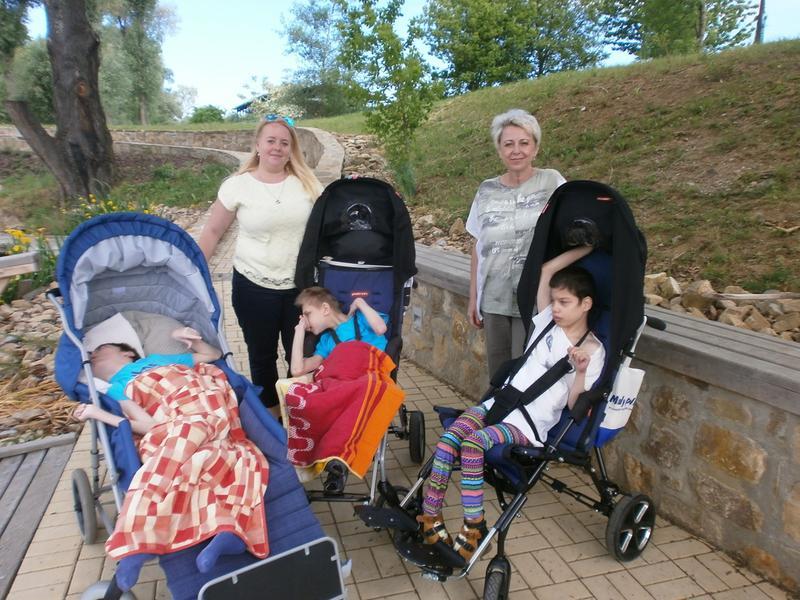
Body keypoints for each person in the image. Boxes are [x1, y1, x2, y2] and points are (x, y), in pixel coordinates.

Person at [417, 246, 605, 561]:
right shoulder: (546, 322)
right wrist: (587, 247)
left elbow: (575, 405)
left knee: (473, 445)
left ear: (585, 304)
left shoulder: (593, 350)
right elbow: (546, 271)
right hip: (499, 404)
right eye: (554, 301)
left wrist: (582, 372)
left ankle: (474, 527)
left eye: (564, 302)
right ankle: (430, 517)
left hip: (528, 424)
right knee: (449, 439)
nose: (556, 308)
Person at [74, 326, 269, 591]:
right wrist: (99, 414)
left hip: (200, 399)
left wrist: (191, 340)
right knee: (212, 456)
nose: (93, 354)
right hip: (178, 421)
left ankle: (140, 541)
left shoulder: (158, 360)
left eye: (100, 348)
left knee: (177, 461)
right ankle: (228, 530)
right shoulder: (117, 388)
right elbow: (149, 425)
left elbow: (212, 356)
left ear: (127, 353)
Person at [198, 114, 323, 418]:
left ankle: (299, 417)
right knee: (262, 357)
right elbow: (213, 231)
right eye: (271, 141)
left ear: (291, 149)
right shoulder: (237, 186)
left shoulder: (307, 183)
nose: (277, 147)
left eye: (284, 143)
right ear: (257, 145)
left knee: (302, 356)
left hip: (300, 289)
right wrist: (195, 272)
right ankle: (272, 420)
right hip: (252, 287)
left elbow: (330, 222)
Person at [467, 108, 567, 377]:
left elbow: (570, 236)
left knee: (527, 373)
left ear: (535, 148)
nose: (516, 151)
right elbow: (478, 246)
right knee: (498, 374)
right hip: (494, 298)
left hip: (536, 298)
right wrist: (474, 298)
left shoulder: (553, 182)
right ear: (499, 150)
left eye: (524, 143)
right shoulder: (486, 190)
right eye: (508, 144)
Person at [290, 286, 388, 377]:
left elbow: (381, 329)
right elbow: (297, 371)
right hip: (348, 382)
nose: (305, 321)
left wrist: (360, 302)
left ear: (325, 309)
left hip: (373, 377)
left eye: (307, 314)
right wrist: (299, 329)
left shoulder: (361, 318)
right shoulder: (326, 341)